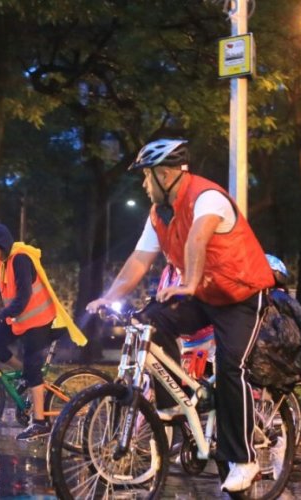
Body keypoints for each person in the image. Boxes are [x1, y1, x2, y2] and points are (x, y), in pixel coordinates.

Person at [86, 138, 274, 492]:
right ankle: (174, 403)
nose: (143, 185)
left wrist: (187, 282)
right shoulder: (159, 214)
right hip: (203, 294)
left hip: (240, 296)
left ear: (167, 174)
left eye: (146, 177)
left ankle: (244, 459)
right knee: (147, 322)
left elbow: (198, 239)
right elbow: (139, 260)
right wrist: (107, 297)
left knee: (233, 368)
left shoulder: (208, 197)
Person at [0, 222, 87, 442]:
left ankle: (39, 422)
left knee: (34, 367)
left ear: (2, 245)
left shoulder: (20, 259)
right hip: (20, 319)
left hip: (40, 320)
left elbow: (23, 297)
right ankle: (24, 376)